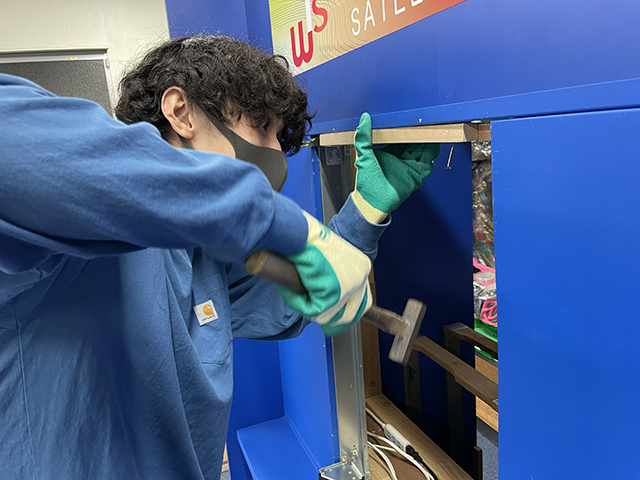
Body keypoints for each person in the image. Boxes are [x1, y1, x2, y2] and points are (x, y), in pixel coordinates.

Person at [0, 35, 439, 480]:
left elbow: (287, 300)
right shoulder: (72, 231)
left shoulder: (202, 256)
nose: (275, 154)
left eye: (279, 137)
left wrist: (364, 210)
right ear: (181, 112)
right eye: (261, 126)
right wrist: (286, 226)